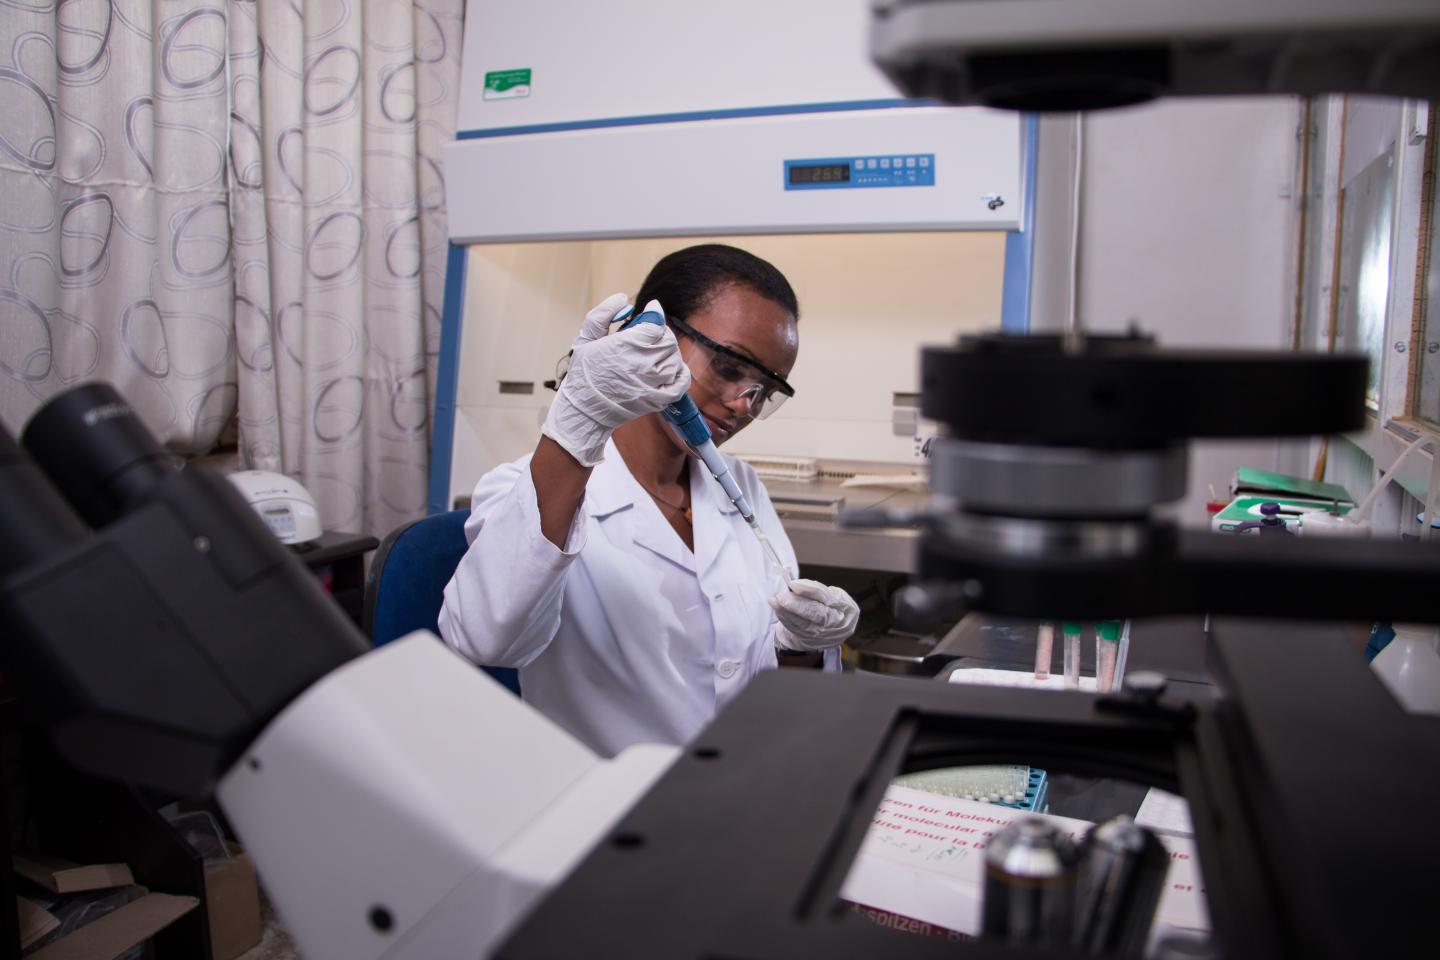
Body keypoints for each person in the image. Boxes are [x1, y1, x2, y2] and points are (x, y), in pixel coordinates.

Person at [438, 244, 859, 757]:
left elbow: (758, 676)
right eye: (729, 368)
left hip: (738, 784)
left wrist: (800, 648)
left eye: (765, 389)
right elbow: (483, 640)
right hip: (608, 811)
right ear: (649, 335)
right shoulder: (521, 490)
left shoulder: (741, 486)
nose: (743, 405)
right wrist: (575, 424)